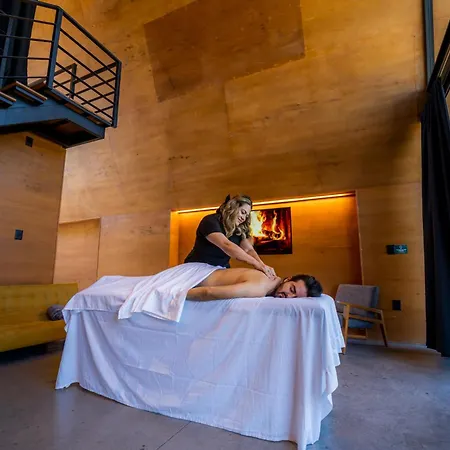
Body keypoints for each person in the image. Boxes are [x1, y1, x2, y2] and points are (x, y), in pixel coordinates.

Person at [184, 194, 277, 279]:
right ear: (233, 207)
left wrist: (263, 266)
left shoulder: (239, 229)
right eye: (243, 212)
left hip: (220, 269)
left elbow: (248, 250)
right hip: (198, 267)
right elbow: (226, 245)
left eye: (246, 216)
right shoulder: (211, 221)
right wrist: (256, 264)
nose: (243, 218)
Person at [187, 267, 323, 301]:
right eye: (292, 289)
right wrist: (177, 295)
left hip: (198, 271)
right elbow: (209, 292)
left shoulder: (273, 281)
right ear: (288, 279)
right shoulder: (260, 288)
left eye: (295, 298)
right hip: (190, 279)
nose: (289, 296)